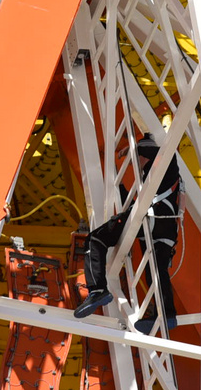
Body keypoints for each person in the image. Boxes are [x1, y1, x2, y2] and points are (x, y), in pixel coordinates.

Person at [73, 133, 180, 333]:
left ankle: (97, 290)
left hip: (149, 219)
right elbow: (132, 203)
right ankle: (166, 314)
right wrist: (119, 186)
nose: (135, 164)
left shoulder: (165, 165)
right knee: (155, 271)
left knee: (95, 239)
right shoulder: (158, 181)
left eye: (137, 159)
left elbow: (159, 153)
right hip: (164, 229)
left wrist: (134, 149)